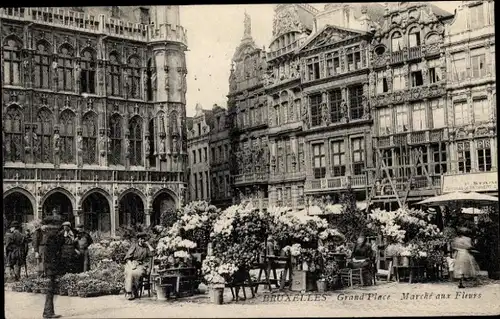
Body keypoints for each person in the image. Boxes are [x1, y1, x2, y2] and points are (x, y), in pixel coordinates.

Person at [41, 216, 64, 319]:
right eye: (56, 227)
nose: (57, 229)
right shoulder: (50, 238)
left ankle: (49, 311)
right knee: (50, 289)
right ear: (51, 227)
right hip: (51, 267)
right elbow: (53, 253)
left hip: (50, 266)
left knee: (51, 290)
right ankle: (48, 312)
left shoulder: (48, 237)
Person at [123, 232, 154, 300]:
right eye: (142, 239)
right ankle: (129, 292)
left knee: (136, 273)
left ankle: (135, 291)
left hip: (141, 265)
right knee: (129, 272)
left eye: (144, 239)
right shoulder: (134, 246)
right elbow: (127, 258)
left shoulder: (146, 248)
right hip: (132, 263)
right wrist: (131, 266)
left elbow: (153, 253)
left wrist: (148, 245)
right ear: (139, 239)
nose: (143, 241)